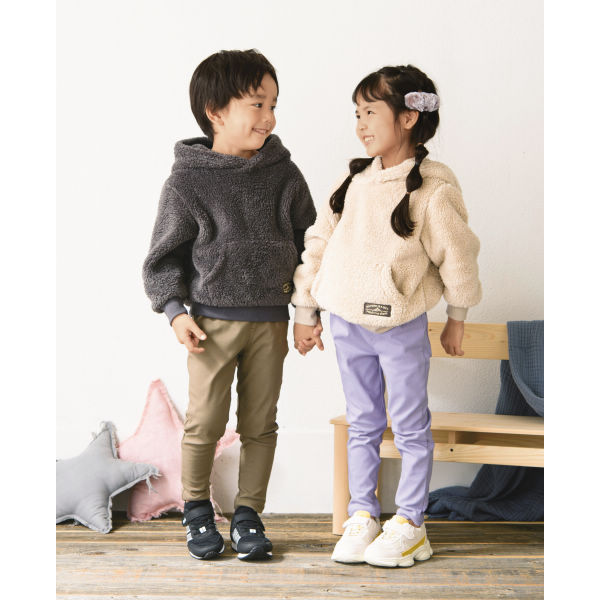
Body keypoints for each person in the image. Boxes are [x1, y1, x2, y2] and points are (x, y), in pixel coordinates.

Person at [291, 65, 482, 567]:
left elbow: (458, 256)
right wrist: (306, 309)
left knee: (411, 425)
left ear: (408, 118)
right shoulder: (352, 181)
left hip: (399, 326)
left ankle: (412, 523)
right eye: (357, 113)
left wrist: (457, 315)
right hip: (346, 322)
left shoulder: (433, 189)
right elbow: (319, 243)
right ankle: (363, 514)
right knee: (362, 422)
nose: (361, 124)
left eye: (370, 112)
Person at [142, 49, 316, 561]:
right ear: (215, 111)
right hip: (210, 324)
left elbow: (313, 246)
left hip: (271, 322)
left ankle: (248, 515)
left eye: (274, 105)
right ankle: (197, 509)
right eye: (257, 104)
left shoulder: (285, 174)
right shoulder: (187, 181)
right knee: (205, 423)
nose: (270, 117)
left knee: (261, 424)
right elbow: (163, 257)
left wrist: (309, 313)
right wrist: (175, 311)